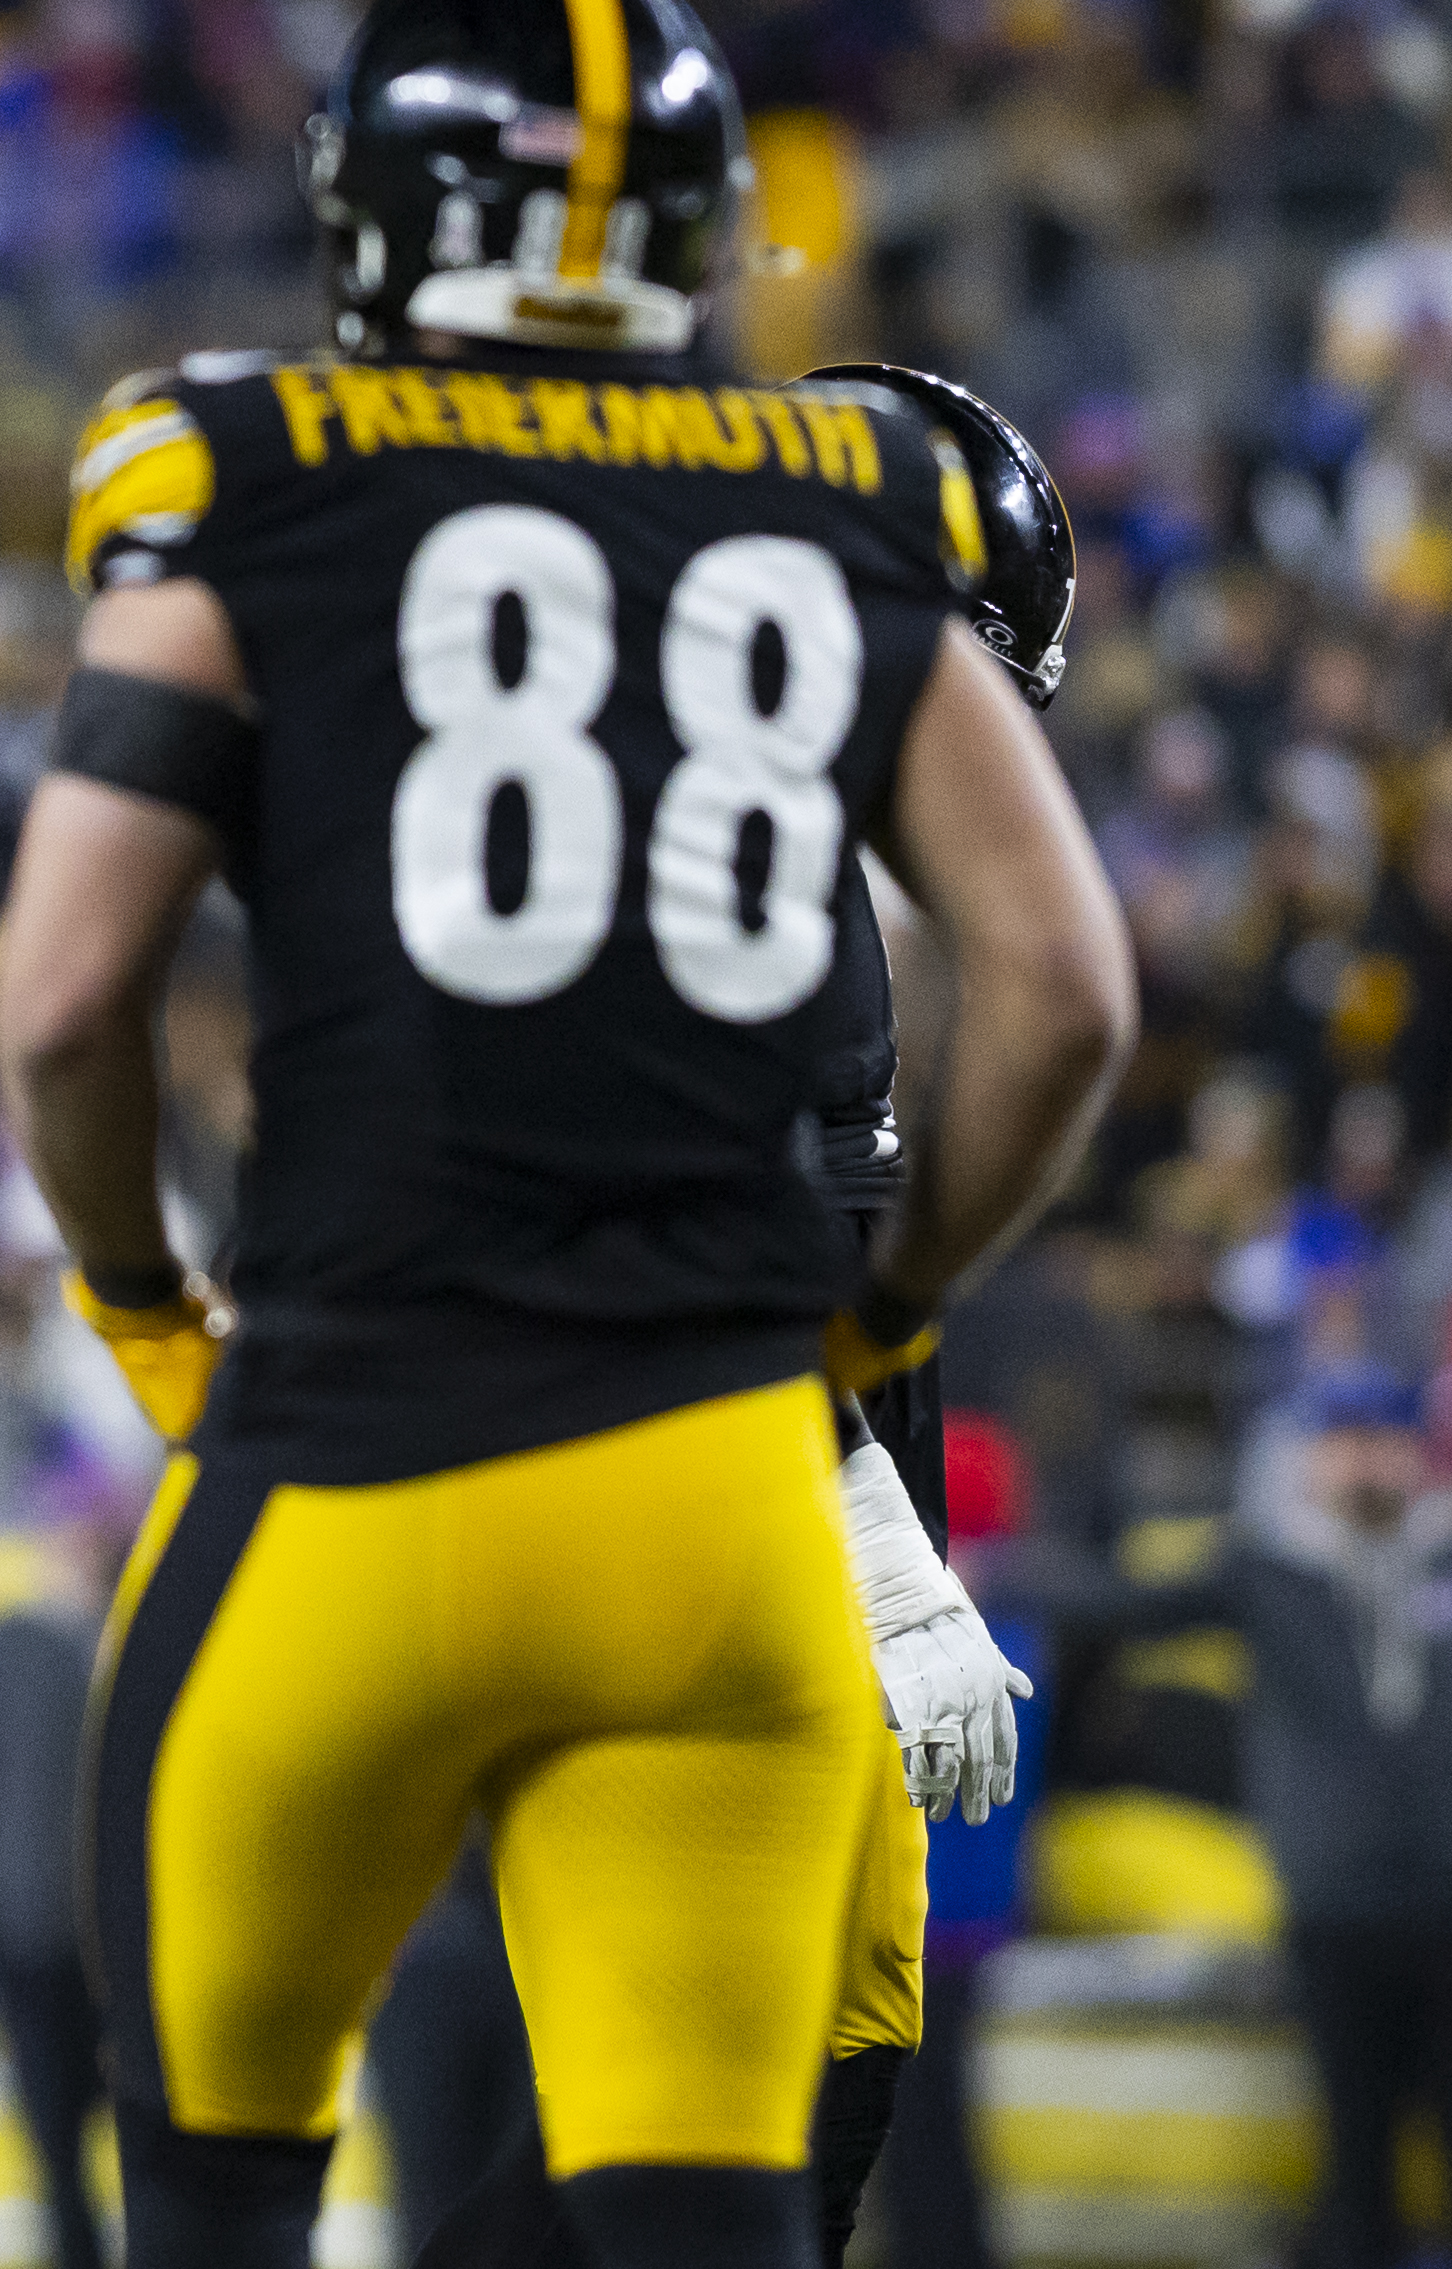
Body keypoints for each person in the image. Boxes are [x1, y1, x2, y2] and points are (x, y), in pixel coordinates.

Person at [0, 0, 1139, 2260]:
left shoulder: (246, 462)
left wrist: (136, 1297)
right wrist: (883, 1353)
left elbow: (57, 1001)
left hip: (349, 1451)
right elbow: (1076, 994)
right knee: (741, 2188)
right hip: (708, 1509)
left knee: (216, 2188)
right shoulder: (836, 525)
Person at [397, 358, 1081, 2269]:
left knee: (803, 2095)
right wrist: (873, 1538)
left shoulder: (769, 858)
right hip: (685, 1507)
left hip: (758, 1474)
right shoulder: (678, 852)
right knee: (707, 2128)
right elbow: (650, 1230)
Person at [1010, 1364, 1452, 2269]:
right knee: (1357, 2146)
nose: (1366, 1465)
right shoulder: (1271, 1569)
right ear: (1313, 1458)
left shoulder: (1439, 1565)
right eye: (1346, 1444)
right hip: (1333, 1906)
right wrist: (976, 1572)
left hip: (1445, 1900)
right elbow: (1118, 1601)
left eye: (1384, 1442)